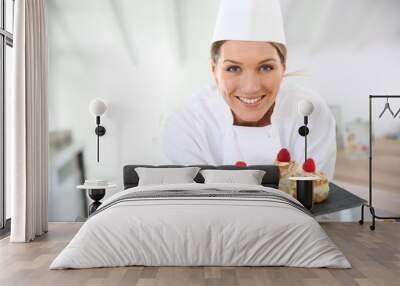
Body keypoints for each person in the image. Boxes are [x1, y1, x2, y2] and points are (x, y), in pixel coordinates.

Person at [161, 0, 336, 180]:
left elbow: (316, 197)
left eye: (266, 67)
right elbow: (195, 203)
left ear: (283, 67)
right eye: (233, 68)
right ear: (214, 70)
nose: (251, 87)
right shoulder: (186, 123)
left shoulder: (310, 113)